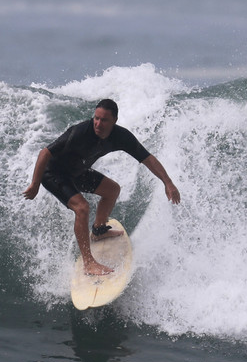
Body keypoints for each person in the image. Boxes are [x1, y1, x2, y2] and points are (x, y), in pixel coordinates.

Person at [22, 99, 180, 276]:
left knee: (112, 190)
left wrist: (168, 182)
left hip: (77, 172)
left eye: (104, 120)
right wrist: (35, 185)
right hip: (53, 173)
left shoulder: (121, 137)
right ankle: (89, 263)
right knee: (82, 208)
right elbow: (45, 153)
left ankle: (98, 230)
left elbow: (147, 158)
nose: (98, 123)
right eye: (96, 118)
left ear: (114, 120)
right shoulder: (80, 132)